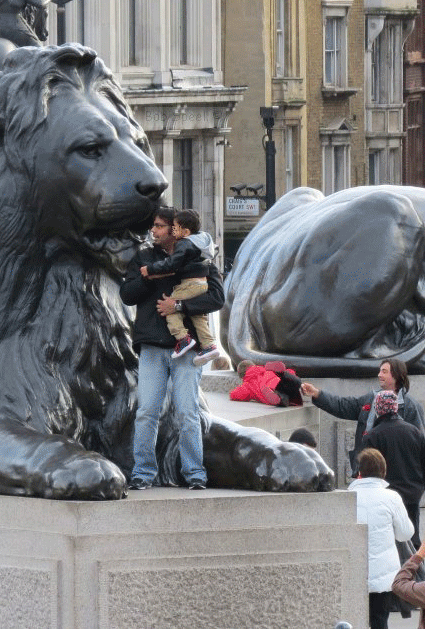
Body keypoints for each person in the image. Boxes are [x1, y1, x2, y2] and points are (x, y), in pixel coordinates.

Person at [121, 207, 224, 491]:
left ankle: (194, 473)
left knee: (188, 412)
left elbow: (217, 297)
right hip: (153, 344)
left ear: (175, 230)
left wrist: (178, 306)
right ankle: (143, 472)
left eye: (159, 226)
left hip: (188, 348)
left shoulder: (198, 254)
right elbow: (127, 295)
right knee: (147, 412)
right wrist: (146, 277)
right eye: (153, 226)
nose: (153, 231)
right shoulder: (144, 258)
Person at [300, 359, 425, 473]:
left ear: (396, 375)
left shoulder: (411, 407)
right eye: (380, 371)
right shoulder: (370, 399)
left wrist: (415, 482)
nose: (379, 375)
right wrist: (317, 394)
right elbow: (342, 406)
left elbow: (420, 445)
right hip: (366, 470)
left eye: (384, 371)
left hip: (396, 473)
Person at [140, 209, 222, 366]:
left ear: (185, 231)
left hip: (189, 284)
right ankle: (209, 345)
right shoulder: (202, 243)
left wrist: (151, 270)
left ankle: (183, 338)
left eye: (175, 228)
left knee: (170, 311)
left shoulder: (183, 244)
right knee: (199, 317)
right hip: (201, 284)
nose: (153, 230)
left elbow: (173, 264)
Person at [363, 390, 425, 550]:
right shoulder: (414, 431)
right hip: (412, 496)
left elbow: (368, 469)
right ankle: (416, 573)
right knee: (413, 542)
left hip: (385, 497)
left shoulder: (373, 436)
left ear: (378, 408)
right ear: (395, 408)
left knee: (388, 543)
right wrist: (420, 486)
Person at [350, 448, 414, 629]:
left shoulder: (348, 498)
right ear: (384, 472)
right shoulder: (392, 497)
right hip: (384, 575)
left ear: (360, 472)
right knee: (379, 620)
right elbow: (405, 534)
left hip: (355, 572)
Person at [231, 360, 302, 407]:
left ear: (241, 377)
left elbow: (235, 394)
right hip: (279, 381)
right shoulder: (265, 369)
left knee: (279, 394)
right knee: (286, 376)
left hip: (271, 390)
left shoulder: (248, 384)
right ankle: (290, 378)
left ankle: (279, 397)